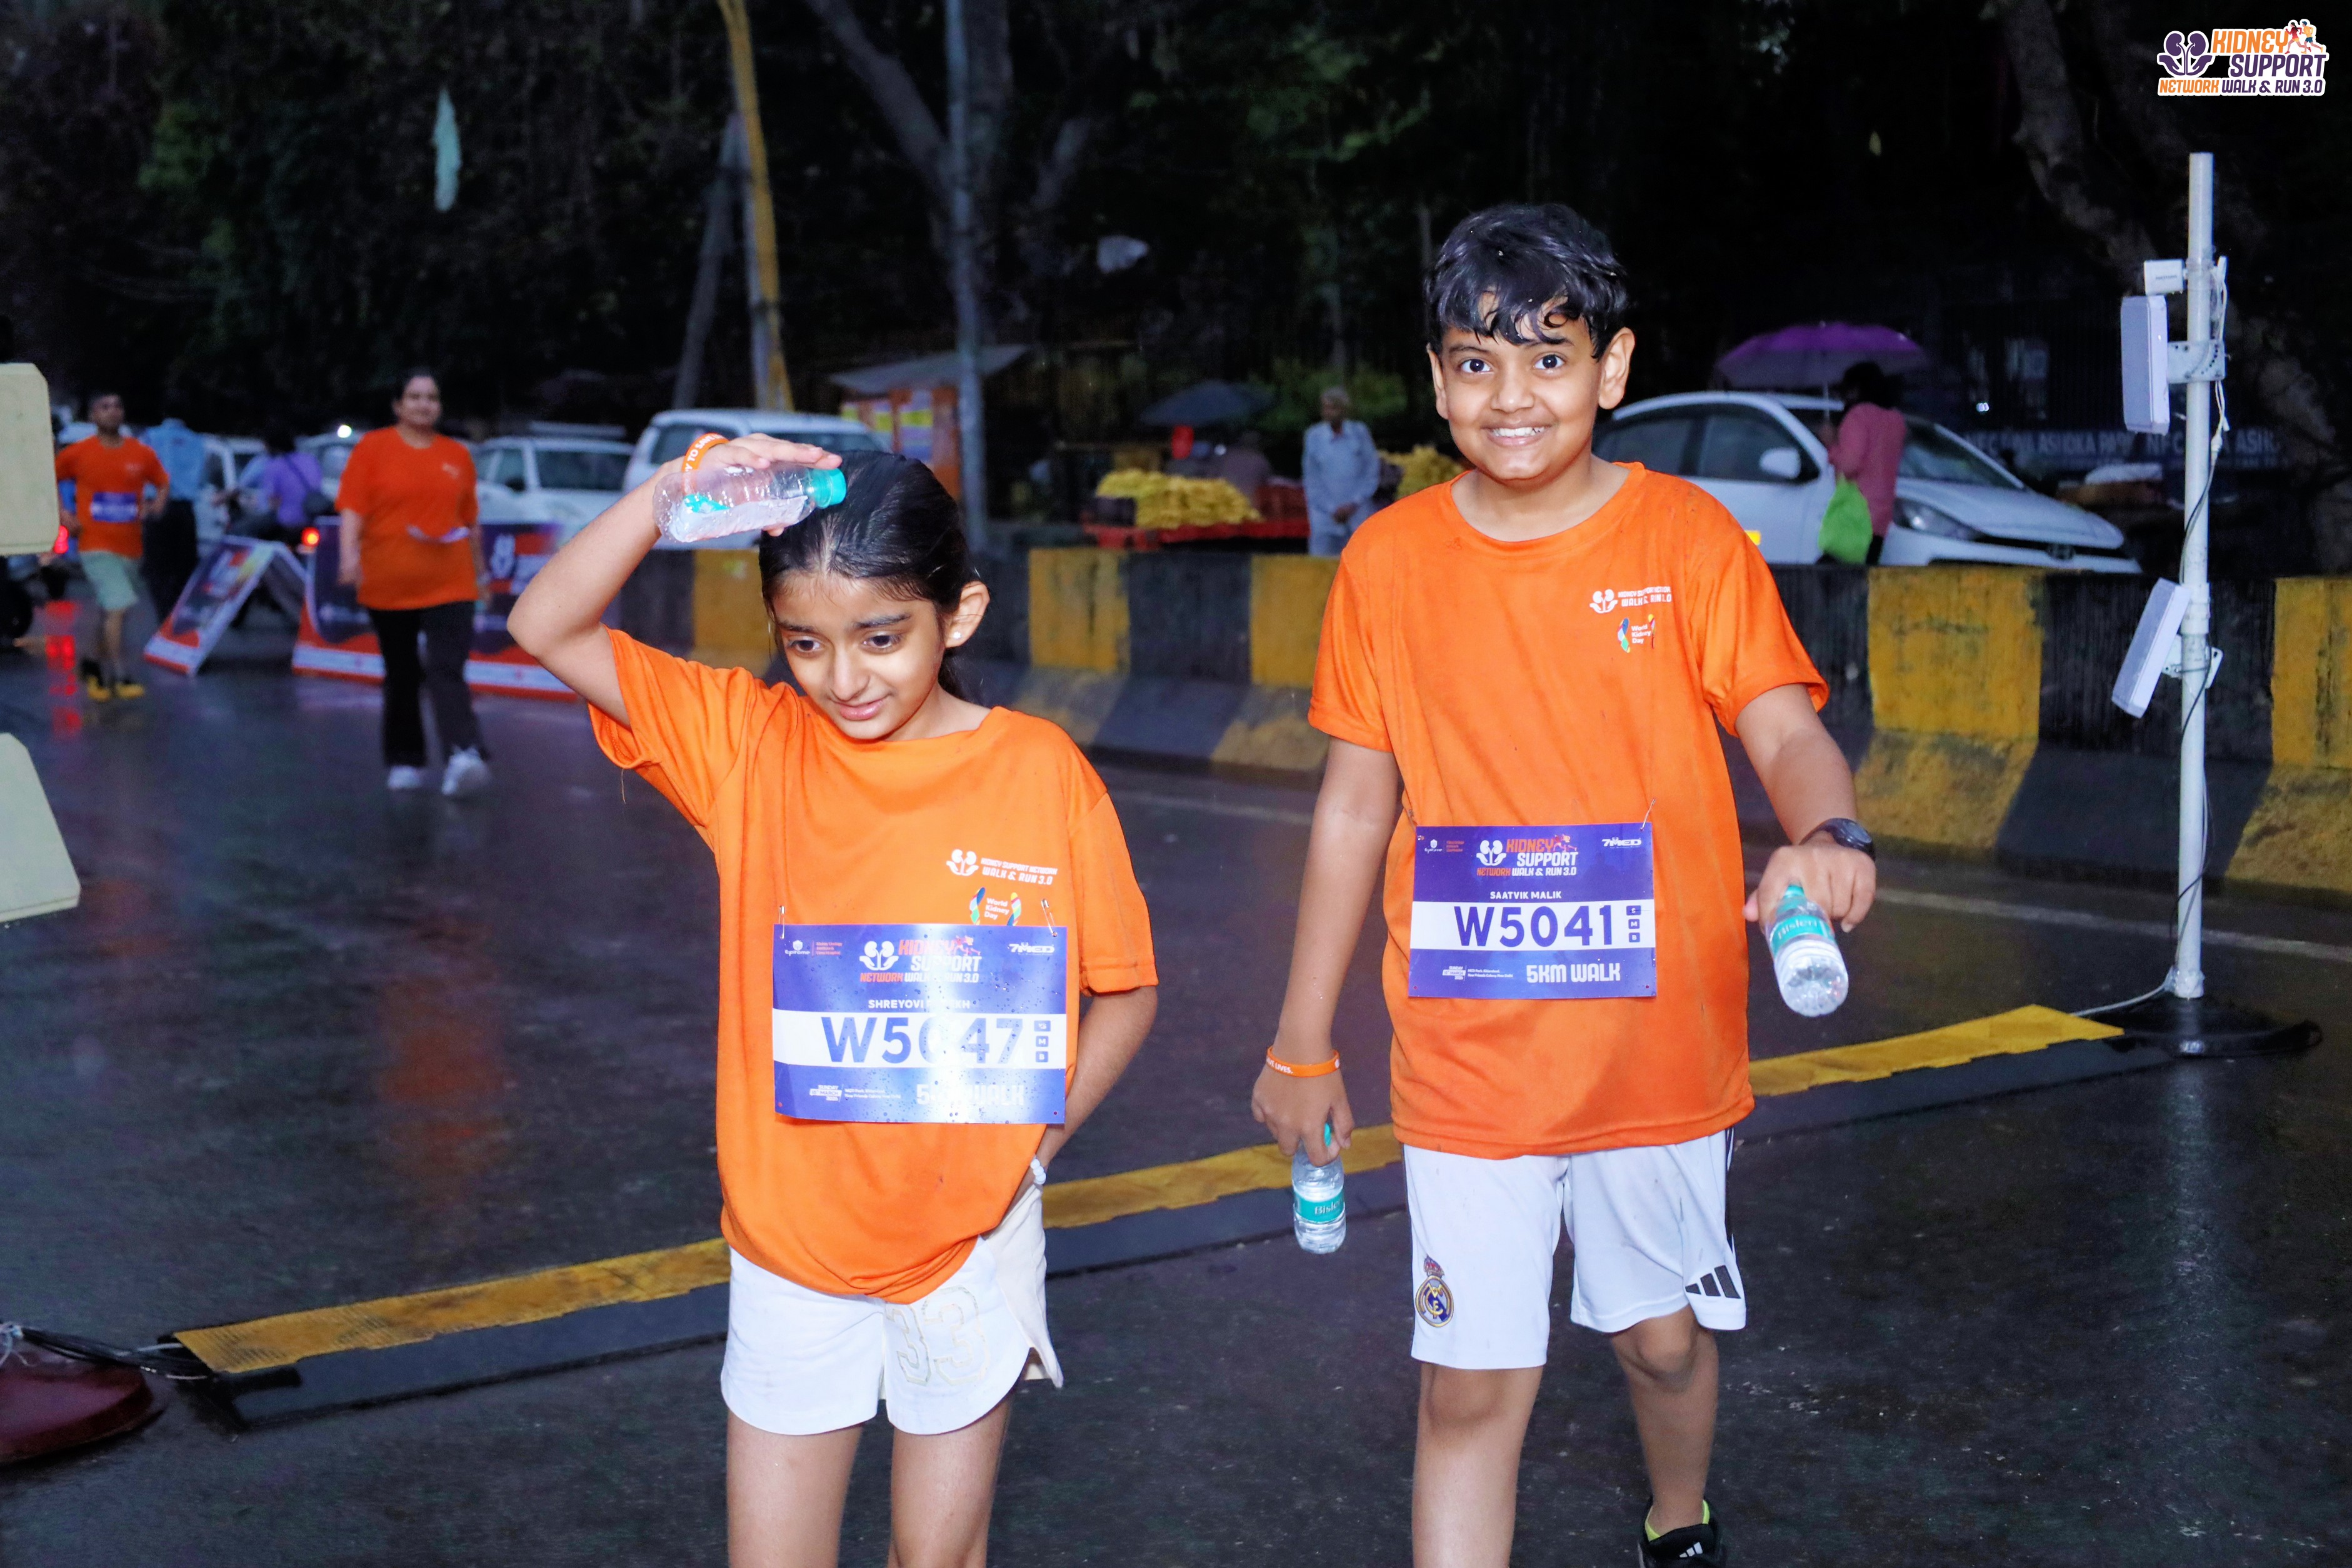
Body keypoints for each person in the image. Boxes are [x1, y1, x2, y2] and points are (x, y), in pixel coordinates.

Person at [1250, 204, 1878, 1568]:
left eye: (1549, 358)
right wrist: (1301, 1041)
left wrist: (1831, 833)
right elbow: (1355, 805)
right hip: (1466, 1055)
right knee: (1468, 1389)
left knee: (1660, 1344)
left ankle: (1677, 1516)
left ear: (1613, 367)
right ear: (1435, 382)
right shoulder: (1387, 561)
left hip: (1656, 1048)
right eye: (1476, 363)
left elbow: (1781, 727)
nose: (1512, 396)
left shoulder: (1686, 539)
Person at [509, 441, 1159, 1568]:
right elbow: (544, 624)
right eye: (803, 642)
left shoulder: (1040, 769)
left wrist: (1032, 1153)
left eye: (880, 637)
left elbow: (1126, 990)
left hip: (970, 1250)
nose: (843, 677)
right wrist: (669, 497)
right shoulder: (747, 746)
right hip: (790, 1253)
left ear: (958, 615)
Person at [336, 369, 491, 796]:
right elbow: (353, 507)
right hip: (390, 581)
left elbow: (470, 520)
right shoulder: (373, 449)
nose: (425, 405)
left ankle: (463, 753)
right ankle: (405, 760)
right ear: (398, 405)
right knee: (402, 672)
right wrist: (349, 556)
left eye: (432, 398)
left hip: (451, 582)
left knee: (446, 668)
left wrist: (481, 575)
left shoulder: (457, 455)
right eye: (415, 397)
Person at [53, 392, 168, 701]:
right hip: (95, 544)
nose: (112, 411)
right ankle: (119, 675)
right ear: (93, 416)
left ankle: (91, 665)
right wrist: (64, 514)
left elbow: (162, 482)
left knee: (111, 611)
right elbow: (49, 479)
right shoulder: (80, 453)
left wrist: (156, 505)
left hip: (130, 547)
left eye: (117, 406)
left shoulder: (140, 453)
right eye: (104, 407)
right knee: (118, 605)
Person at [1822, 360, 1906, 564]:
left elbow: (1850, 465)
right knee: (1866, 572)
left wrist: (1831, 445)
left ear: (1856, 389)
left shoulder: (1858, 416)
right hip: (1882, 514)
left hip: (1857, 510)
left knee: (1835, 573)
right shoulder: (1896, 419)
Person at [1301, 386, 1381, 556]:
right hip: (1325, 517)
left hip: (1358, 513)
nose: (1328, 413)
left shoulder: (1360, 433)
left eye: (1333, 408)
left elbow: (1371, 471)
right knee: (1322, 565)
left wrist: (1354, 503)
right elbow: (1312, 479)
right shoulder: (1314, 436)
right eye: (1325, 408)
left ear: (1343, 409)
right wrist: (1332, 508)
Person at [141, 414, 207, 617]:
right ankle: (177, 612)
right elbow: (201, 478)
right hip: (185, 510)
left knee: (156, 567)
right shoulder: (197, 441)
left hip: (157, 506)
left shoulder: (151, 436)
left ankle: (164, 613)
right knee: (184, 567)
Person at [240, 421, 325, 545]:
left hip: (287, 524)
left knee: (243, 530)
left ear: (271, 445)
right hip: (312, 520)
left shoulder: (275, 466)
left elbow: (273, 503)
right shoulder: (310, 459)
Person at [1210, 427, 1274, 501]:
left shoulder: (1227, 456)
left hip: (1226, 499)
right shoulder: (1260, 460)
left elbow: (1211, 476)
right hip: (1243, 501)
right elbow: (1267, 483)